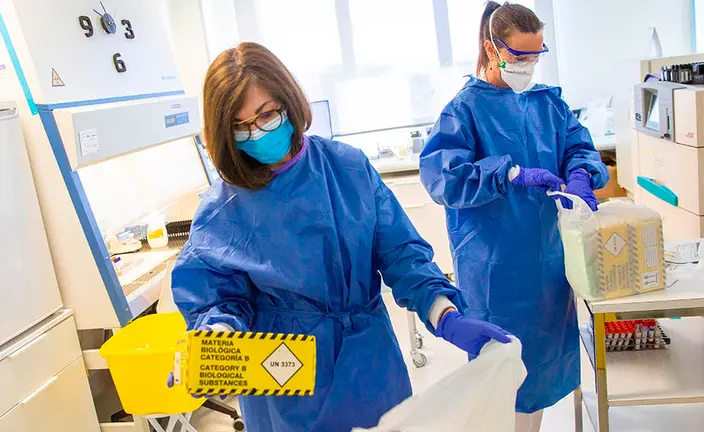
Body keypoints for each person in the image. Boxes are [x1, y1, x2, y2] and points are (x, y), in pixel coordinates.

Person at [170, 42, 512, 432]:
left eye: (266, 115)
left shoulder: (347, 168)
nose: (257, 133)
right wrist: (216, 341)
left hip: (369, 362)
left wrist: (444, 313)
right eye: (241, 126)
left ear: (289, 102)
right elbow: (218, 297)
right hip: (283, 376)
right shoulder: (223, 209)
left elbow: (402, 255)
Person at [419, 2, 609, 431]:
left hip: (547, 265)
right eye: (520, 56)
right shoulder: (464, 110)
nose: (528, 65)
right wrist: (509, 172)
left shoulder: (547, 104)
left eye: (536, 55)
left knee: (538, 373)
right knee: (501, 375)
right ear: (493, 48)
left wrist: (580, 172)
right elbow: (442, 179)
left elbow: (581, 147)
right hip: (495, 270)